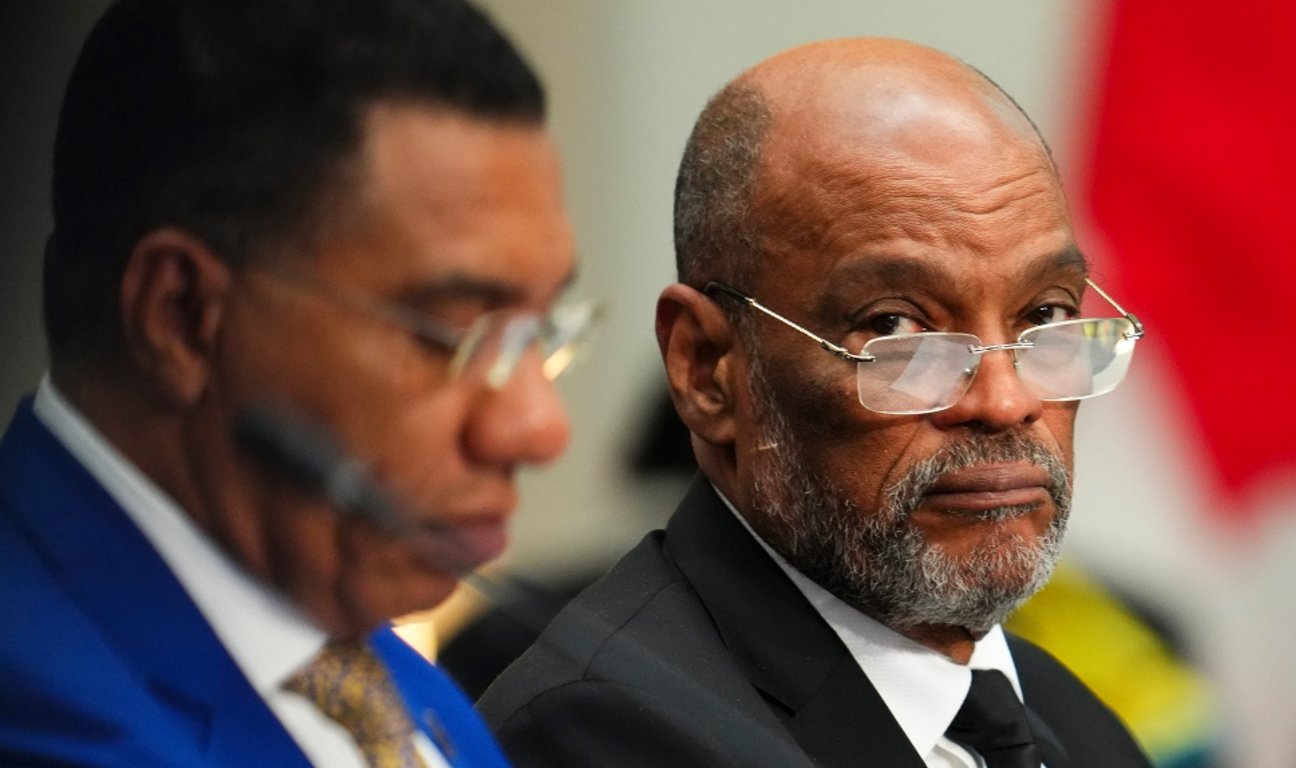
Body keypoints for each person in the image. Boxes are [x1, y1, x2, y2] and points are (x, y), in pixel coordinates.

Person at [479, 37, 1154, 768]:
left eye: (1046, 313)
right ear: (707, 370)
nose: (1005, 399)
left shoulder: (1074, 725)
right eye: (897, 327)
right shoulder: (606, 732)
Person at [0, 0, 594, 765]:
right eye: (452, 333)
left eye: (538, 332)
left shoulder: (370, 667)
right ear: (182, 319)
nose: (540, 427)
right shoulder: (42, 718)